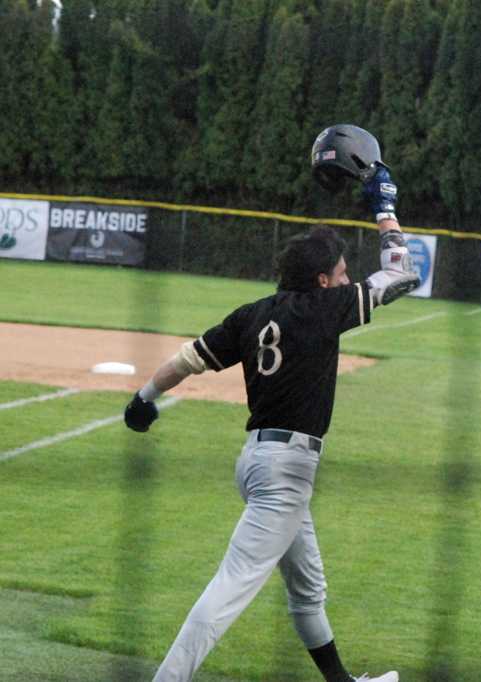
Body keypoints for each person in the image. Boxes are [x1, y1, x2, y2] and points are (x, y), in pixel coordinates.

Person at [123, 125, 416, 682]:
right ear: (323, 280)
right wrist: (386, 206)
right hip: (285, 471)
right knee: (231, 585)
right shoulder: (324, 308)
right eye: (342, 273)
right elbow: (403, 272)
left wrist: (144, 397)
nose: (347, 279)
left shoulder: (252, 313)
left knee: (309, 589)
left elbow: (185, 360)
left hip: (260, 464)